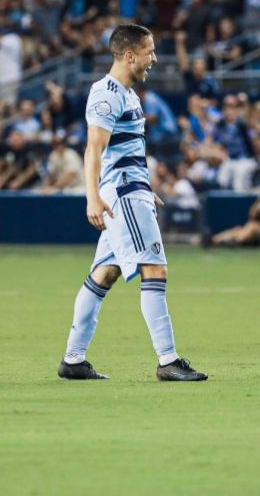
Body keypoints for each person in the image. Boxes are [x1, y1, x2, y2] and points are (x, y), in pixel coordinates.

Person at [59, 23, 207, 382]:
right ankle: (168, 360)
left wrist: (147, 185)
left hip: (131, 188)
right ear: (129, 56)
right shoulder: (107, 94)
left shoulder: (127, 94)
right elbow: (93, 148)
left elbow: (125, 151)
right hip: (122, 195)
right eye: (149, 51)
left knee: (103, 274)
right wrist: (92, 196)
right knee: (155, 269)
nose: (153, 59)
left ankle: (74, 360)